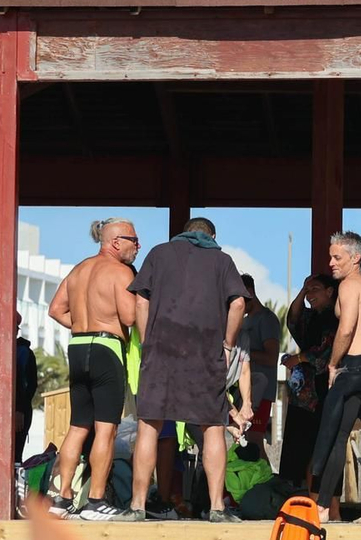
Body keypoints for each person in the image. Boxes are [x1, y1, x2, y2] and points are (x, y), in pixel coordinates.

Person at [125, 217, 247, 521]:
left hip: (161, 352)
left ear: (183, 233)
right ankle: (217, 507)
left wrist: (148, 340)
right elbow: (238, 304)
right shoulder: (222, 260)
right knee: (213, 427)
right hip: (205, 354)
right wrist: (228, 345)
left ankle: (138, 505)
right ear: (213, 236)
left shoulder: (158, 253)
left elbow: (141, 300)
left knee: (149, 425)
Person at [48, 218, 141, 517]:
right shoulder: (120, 272)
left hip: (77, 346)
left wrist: (81, 326)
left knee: (78, 426)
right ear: (115, 242)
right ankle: (96, 501)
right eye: (133, 240)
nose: (138, 246)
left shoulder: (79, 269)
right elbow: (129, 317)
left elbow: (55, 309)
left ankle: (62, 497)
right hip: (107, 347)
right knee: (106, 429)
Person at [309, 231, 361, 524]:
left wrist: (333, 365)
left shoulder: (349, 286)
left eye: (337, 257)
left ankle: (321, 508)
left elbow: (346, 329)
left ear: (355, 258)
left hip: (354, 368)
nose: (331, 262)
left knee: (336, 435)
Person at [277, 274, 339, 486]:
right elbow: (293, 319)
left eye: (315, 289)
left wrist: (300, 358)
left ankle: (318, 498)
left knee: (318, 445)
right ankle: (299, 492)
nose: (310, 295)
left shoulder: (336, 317)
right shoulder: (311, 317)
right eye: (308, 290)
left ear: (329, 291)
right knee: (298, 445)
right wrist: (303, 290)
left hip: (325, 389)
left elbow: (326, 353)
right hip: (304, 392)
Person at [235, 275, 281, 455]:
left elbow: (271, 358)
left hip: (261, 393)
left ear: (250, 292)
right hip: (245, 391)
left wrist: (242, 352)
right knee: (245, 441)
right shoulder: (245, 320)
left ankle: (266, 480)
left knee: (254, 441)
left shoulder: (267, 319)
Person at [13, 311, 39, 460]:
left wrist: (20, 410)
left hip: (20, 410)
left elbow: (31, 384)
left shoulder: (24, 353)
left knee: (16, 455)